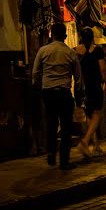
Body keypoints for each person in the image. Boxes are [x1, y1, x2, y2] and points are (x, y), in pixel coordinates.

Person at [32, 22, 82, 170]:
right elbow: (78, 78)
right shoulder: (70, 53)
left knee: (51, 123)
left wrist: (40, 85)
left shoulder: (43, 51)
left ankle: (51, 153)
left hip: (48, 92)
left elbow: (35, 73)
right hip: (64, 93)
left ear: (51, 34)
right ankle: (64, 160)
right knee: (66, 127)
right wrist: (79, 93)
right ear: (65, 36)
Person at [75, 27, 106, 159]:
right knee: (97, 114)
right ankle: (85, 141)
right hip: (94, 86)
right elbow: (102, 69)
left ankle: (95, 145)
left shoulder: (76, 51)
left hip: (82, 87)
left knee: (89, 114)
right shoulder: (97, 50)